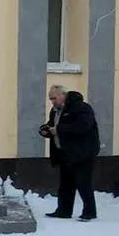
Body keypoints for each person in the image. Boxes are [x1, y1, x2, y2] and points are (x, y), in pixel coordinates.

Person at [39, 85, 101, 222]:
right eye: (50, 99)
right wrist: (45, 129)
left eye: (54, 98)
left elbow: (84, 126)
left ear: (63, 95)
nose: (52, 101)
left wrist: (59, 129)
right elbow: (52, 125)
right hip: (65, 154)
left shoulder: (81, 108)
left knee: (83, 183)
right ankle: (63, 211)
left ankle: (89, 212)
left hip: (82, 153)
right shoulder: (55, 111)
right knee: (65, 184)